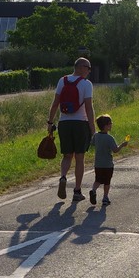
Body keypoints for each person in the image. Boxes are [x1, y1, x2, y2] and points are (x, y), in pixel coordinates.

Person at [45, 57, 95, 201]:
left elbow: (55, 103)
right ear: (80, 67)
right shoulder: (86, 84)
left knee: (67, 155)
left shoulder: (63, 80)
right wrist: (92, 129)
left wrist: (50, 122)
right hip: (80, 124)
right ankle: (77, 191)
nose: (89, 71)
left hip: (64, 123)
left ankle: (63, 177)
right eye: (88, 68)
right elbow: (89, 108)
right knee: (79, 158)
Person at [87, 114, 129, 206]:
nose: (111, 125)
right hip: (107, 164)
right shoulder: (109, 138)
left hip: (98, 164)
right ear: (106, 126)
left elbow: (92, 143)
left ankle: (93, 190)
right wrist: (122, 145)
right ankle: (105, 197)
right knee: (107, 181)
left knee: (97, 180)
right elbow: (115, 150)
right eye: (110, 123)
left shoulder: (96, 136)